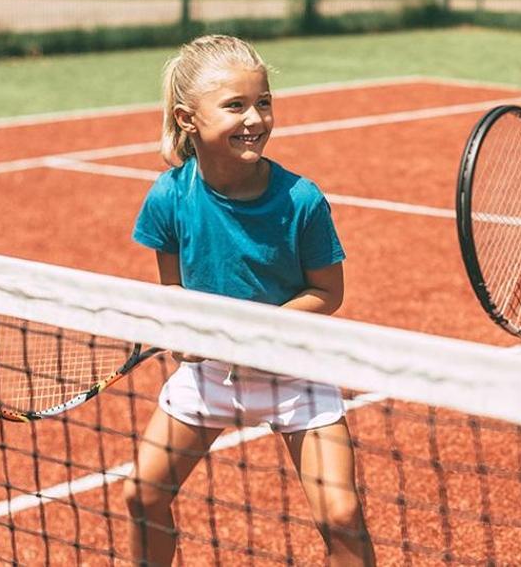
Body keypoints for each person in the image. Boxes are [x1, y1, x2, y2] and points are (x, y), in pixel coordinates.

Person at [126, 35, 375, 566]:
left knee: (342, 517)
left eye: (263, 102)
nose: (255, 119)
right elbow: (173, 292)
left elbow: (328, 292)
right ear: (188, 118)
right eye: (235, 105)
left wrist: (253, 330)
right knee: (142, 495)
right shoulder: (169, 197)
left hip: (293, 371)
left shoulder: (301, 199)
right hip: (211, 377)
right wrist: (187, 336)